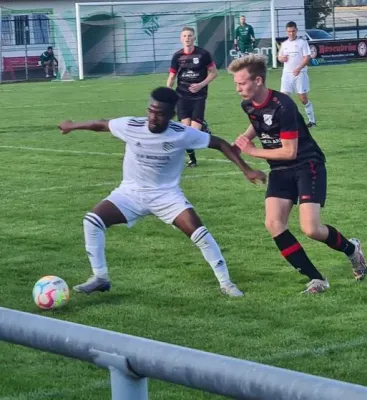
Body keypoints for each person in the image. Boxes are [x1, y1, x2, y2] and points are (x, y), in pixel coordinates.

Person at [57, 87, 266, 297]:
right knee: (92, 220)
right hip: (130, 193)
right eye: (151, 111)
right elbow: (101, 124)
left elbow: (219, 143)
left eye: (160, 113)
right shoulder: (132, 125)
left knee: (200, 234)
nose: (153, 117)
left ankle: (226, 284)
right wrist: (72, 126)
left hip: (167, 196)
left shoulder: (181, 134)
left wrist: (246, 170)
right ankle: (100, 277)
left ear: (171, 115)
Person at [228, 55, 367, 294]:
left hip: (306, 164)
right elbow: (258, 120)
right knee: (273, 223)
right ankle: (317, 279)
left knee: (311, 229)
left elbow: (290, 152)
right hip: (280, 169)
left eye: (241, 83)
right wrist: (245, 138)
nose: (237, 88)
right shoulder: (248, 104)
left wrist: (253, 151)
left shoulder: (285, 106)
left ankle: (352, 249)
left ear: (258, 80)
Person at [167, 27, 217, 168]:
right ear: (181, 39)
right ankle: (192, 160)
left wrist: (201, 84)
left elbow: (213, 73)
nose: (187, 38)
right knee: (185, 130)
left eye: (190, 36)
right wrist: (167, 94)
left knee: (194, 131)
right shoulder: (177, 56)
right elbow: (172, 77)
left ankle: (203, 127)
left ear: (194, 38)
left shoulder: (203, 54)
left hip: (199, 96)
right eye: (184, 36)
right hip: (181, 96)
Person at [277, 21, 316, 128]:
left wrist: (299, 68)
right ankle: (285, 122)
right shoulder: (284, 44)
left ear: (296, 30)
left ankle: (312, 121)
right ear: (286, 32)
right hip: (287, 74)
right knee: (283, 98)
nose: (291, 33)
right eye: (289, 31)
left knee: (303, 98)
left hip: (300, 74)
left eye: (293, 31)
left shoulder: (302, 42)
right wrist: (281, 58)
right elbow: (279, 57)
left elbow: (307, 57)